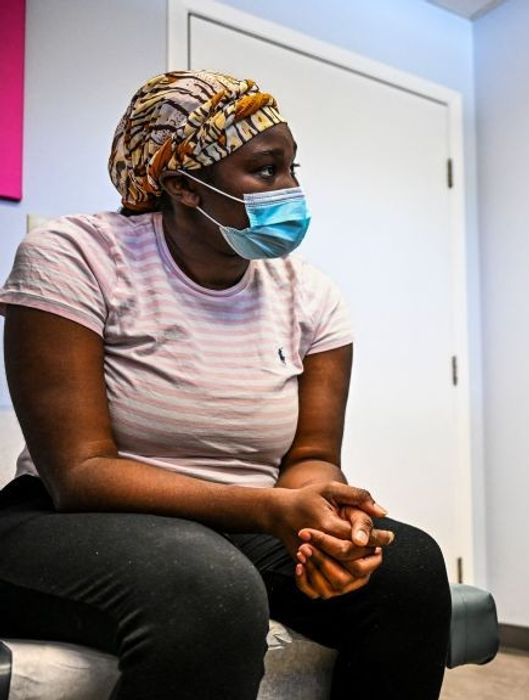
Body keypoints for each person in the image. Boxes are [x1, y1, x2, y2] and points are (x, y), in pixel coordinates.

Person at [0, 71, 450, 699]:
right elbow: (80, 474)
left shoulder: (312, 295)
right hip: (63, 519)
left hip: (236, 531)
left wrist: (324, 531)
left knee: (409, 568)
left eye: (293, 168)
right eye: (266, 171)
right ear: (184, 186)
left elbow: (312, 457)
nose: (291, 189)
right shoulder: (74, 256)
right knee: (209, 583)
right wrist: (269, 510)